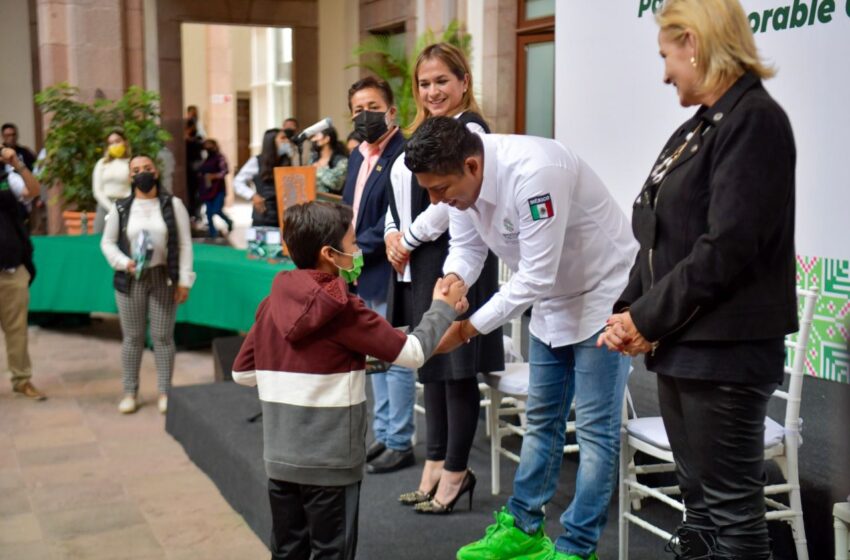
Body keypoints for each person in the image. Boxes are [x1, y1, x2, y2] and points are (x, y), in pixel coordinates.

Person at [596, 1, 797, 559]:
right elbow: (657, 236)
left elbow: (726, 248)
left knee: (733, 522)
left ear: (694, 41)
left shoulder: (755, 121)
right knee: (701, 515)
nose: (664, 73)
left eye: (667, 56)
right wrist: (627, 309)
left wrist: (646, 318)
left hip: (726, 354)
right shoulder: (699, 127)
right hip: (687, 349)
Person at [405, 117, 637, 560]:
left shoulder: (536, 173)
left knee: (594, 430)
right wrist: (453, 279)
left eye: (439, 189)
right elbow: (469, 248)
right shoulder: (465, 186)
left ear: (471, 166)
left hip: (602, 297)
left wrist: (468, 329)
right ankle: (524, 527)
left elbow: (534, 275)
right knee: (543, 418)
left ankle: (577, 546)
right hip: (552, 301)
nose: (436, 201)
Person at [231, 200, 468, 560]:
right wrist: (442, 308)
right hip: (331, 465)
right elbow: (413, 353)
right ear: (329, 253)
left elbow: (243, 373)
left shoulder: (270, 304)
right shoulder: (344, 308)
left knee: (287, 551)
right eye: (353, 243)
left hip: (280, 459)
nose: (358, 251)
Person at [384, 42, 503, 514]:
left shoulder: (469, 129)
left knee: (456, 371)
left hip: (454, 256)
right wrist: (394, 233)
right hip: (417, 261)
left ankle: (455, 472)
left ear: (463, 82)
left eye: (442, 81)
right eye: (425, 83)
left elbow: (443, 203)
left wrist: (407, 238)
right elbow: (396, 192)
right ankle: (433, 465)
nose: (433, 91)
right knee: (430, 367)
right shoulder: (423, 131)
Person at [341, 77, 414, 474]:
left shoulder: (404, 154)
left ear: (391, 111)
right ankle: (384, 434)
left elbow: (397, 216)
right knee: (373, 358)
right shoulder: (358, 155)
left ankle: (401, 440)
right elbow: (349, 207)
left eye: (371, 106)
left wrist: (357, 249)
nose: (363, 115)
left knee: (394, 356)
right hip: (358, 270)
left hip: (388, 268)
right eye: (356, 109)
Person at [100, 154, 195, 415]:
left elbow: (185, 244)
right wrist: (123, 262)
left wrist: (184, 280)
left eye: (147, 168)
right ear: (130, 177)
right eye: (137, 170)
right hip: (131, 279)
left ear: (156, 172)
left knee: (163, 337)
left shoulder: (172, 205)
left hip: (163, 277)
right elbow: (107, 242)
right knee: (132, 337)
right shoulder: (120, 208)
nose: (142, 173)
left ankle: (165, 391)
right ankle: (130, 392)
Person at [0, 146, 46, 401]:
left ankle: (22, 380)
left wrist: (16, 163)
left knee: (16, 329)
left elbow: (34, 191)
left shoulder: (7, 177)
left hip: (10, 269)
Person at [233, 128, 293, 227]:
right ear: (271, 142)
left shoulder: (287, 161)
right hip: (264, 215)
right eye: (283, 138)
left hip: (284, 217)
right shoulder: (257, 161)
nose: (287, 141)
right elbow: (237, 182)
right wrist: (253, 196)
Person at [92, 129, 132, 233]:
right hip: (104, 206)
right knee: (98, 236)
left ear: (125, 142)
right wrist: (111, 209)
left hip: (125, 205)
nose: (114, 145)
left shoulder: (131, 163)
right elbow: (97, 190)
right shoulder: (102, 163)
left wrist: (122, 207)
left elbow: (134, 187)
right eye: (111, 143)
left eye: (117, 141)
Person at [197, 138, 233, 238]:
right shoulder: (206, 159)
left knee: (216, 210)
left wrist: (214, 176)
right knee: (208, 212)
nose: (207, 148)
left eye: (210, 145)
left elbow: (225, 171)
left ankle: (229, 222)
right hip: (207, 190)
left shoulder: (220, 157)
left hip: (218, 189)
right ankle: (213, 233)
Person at [309, 125, 348, 194]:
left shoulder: (341, 161)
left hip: (331, 203)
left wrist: (318, 170)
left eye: (317, 136)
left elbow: (337, 184)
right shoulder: (313, 160)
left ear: (327, 139)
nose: (314, 139)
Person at [184, 119, 204, 222]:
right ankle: (191, 212)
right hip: (187, 169)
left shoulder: (198, 138)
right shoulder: (182, 138)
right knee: (190, 192)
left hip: (197, 168)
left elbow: (201, 147)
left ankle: (197, 212)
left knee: (198, 192)